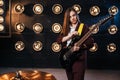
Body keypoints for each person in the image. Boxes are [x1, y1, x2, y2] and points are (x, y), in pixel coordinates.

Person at [57, 7, 94, 80]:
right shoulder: (66, 28)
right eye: (70, 17)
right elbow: (59, 40)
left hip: (78, 59)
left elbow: (91, 42)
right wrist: (70, 36)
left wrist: (80, 47)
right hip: (67, 57)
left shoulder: (82, 27)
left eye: (73, 15)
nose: (72, 18)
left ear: (77, 15)